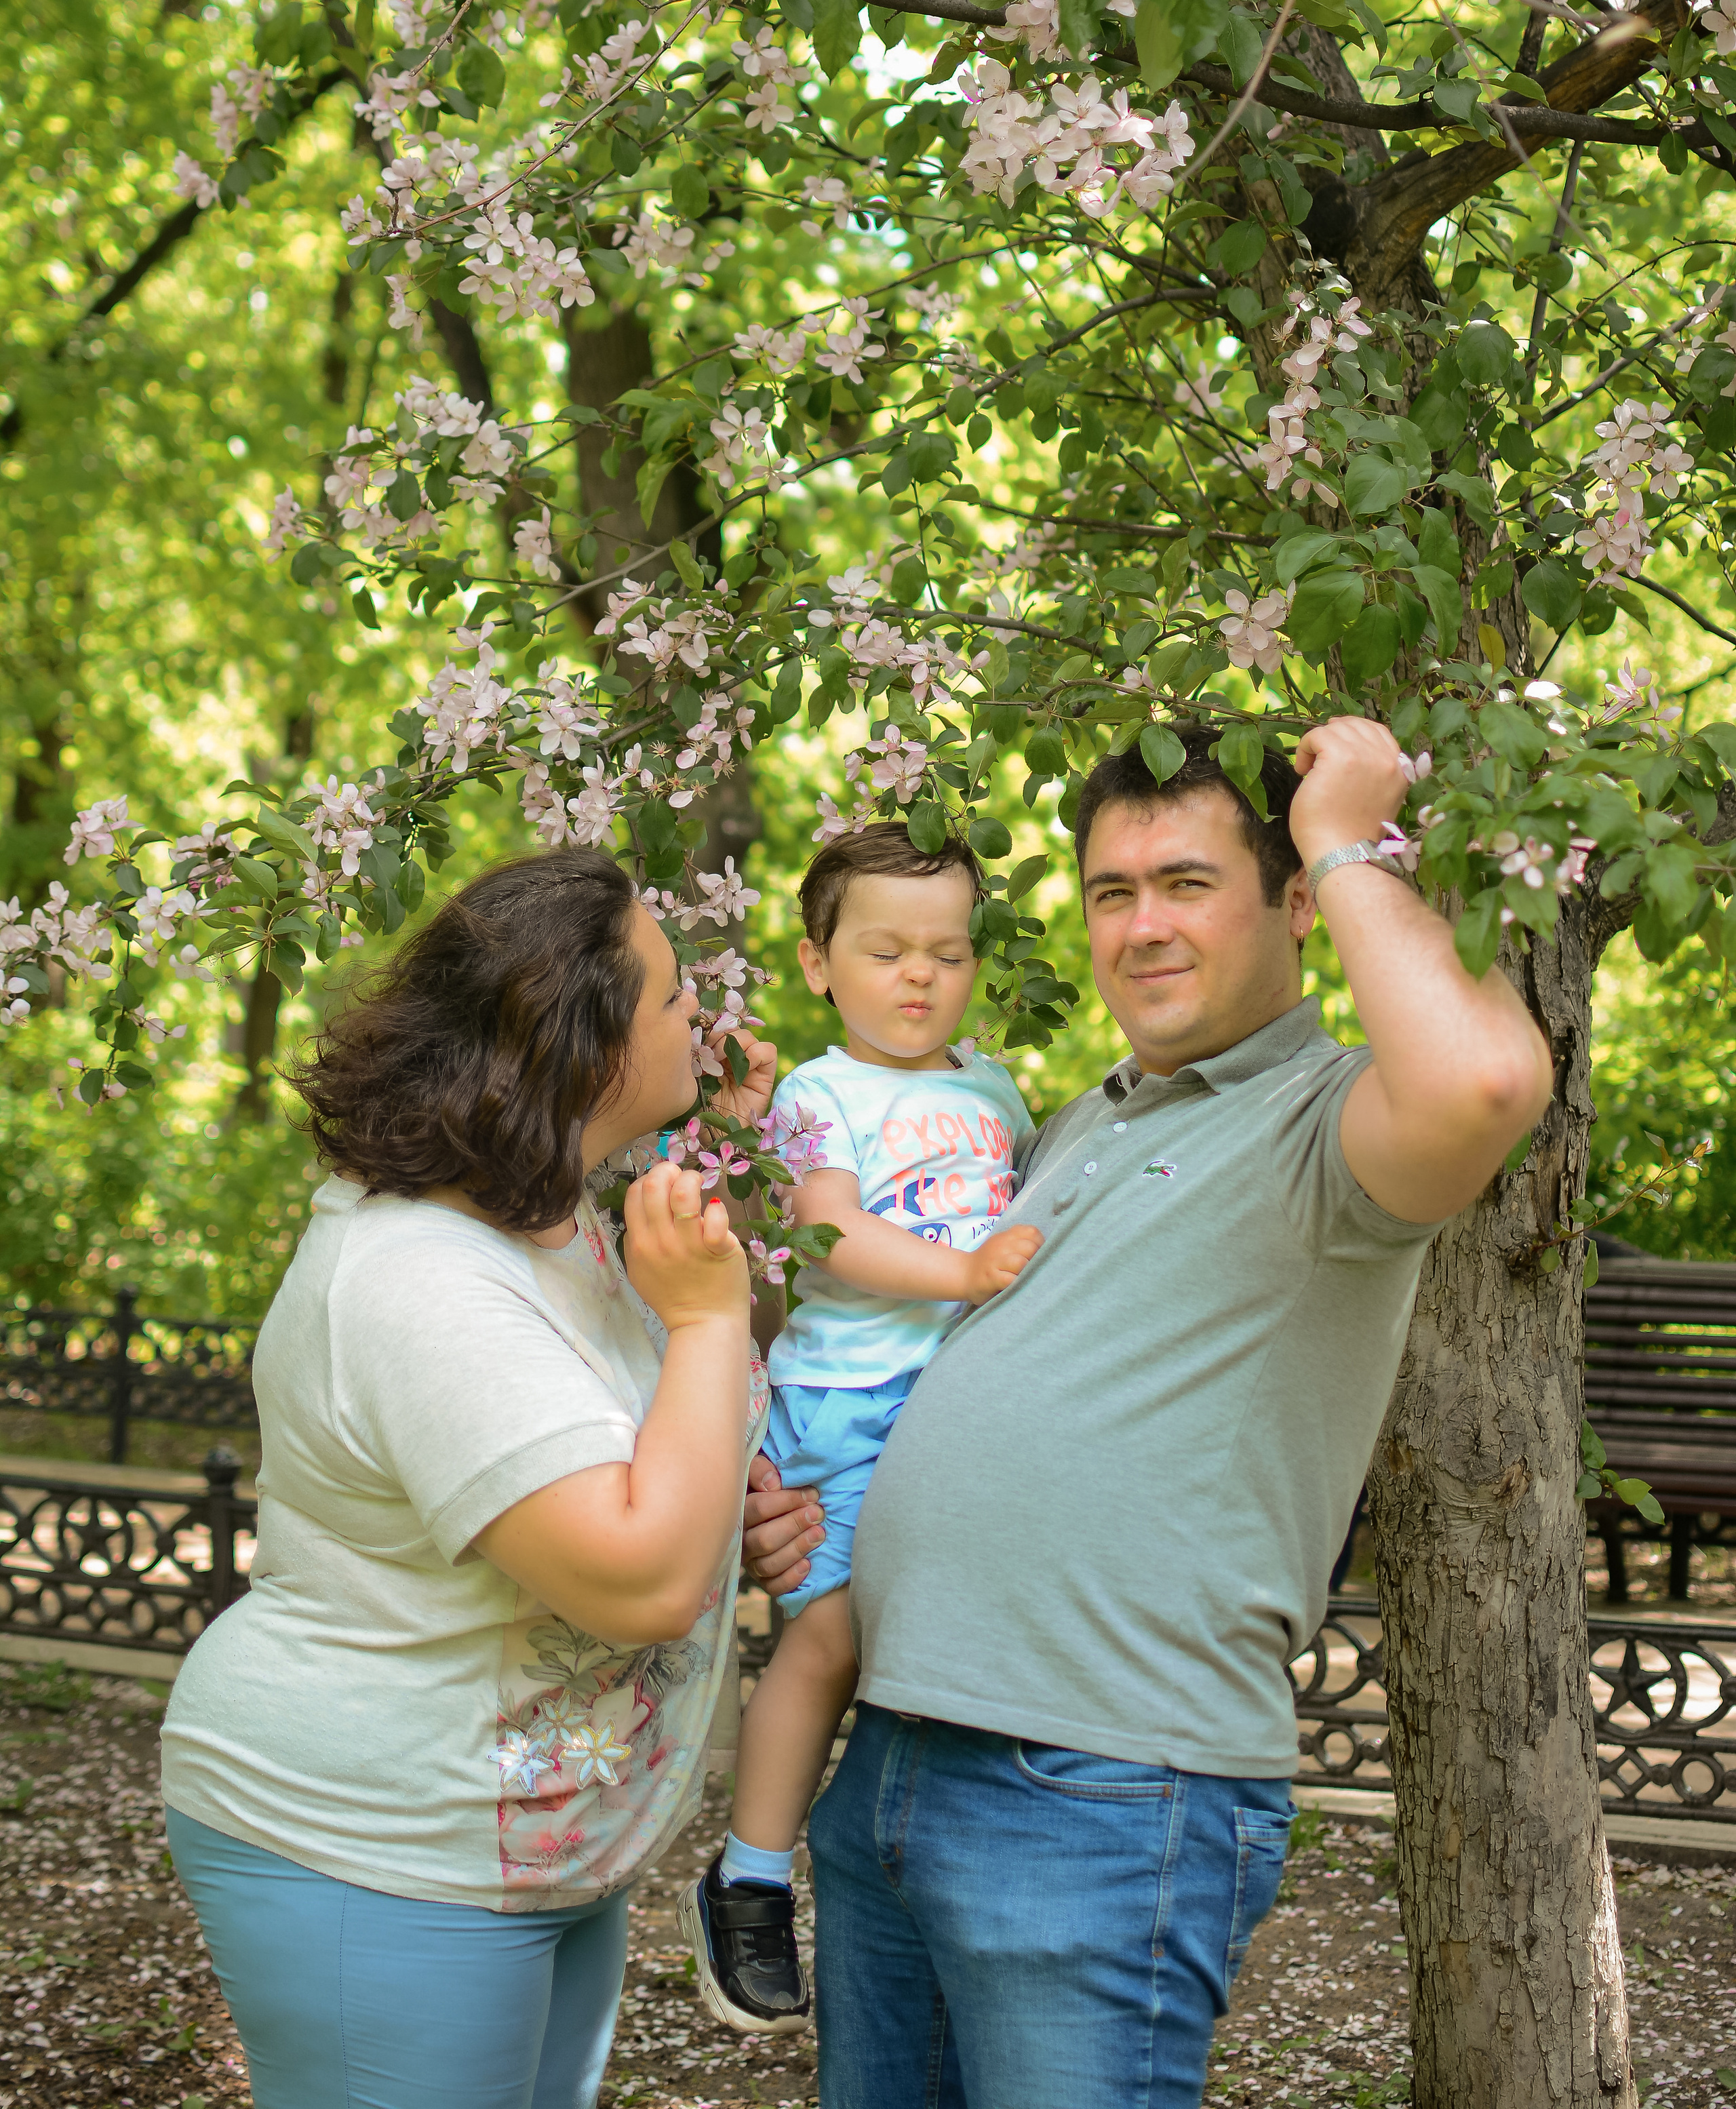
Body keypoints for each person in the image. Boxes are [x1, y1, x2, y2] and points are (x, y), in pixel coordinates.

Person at [741, 719, 1554, 2109]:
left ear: (1294, 904)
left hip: (1101, 1790)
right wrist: (821, 1503)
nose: (1140, 926)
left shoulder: (1325, 1118)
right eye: (1111, 892)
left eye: (1185, 882)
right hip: (890, 1755)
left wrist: (1342, 829)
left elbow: (1483, 1082)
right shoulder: (1068, 1126)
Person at [159, 846, 776, 2109]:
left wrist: (726, 1505)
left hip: (528, 1841)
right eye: (670, 997)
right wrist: (713, 1329)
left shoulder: (551, 1217)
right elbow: (640, 1573)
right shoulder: (421, 1278)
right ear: (591, 1045)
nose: (697, 1019)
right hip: (372, 1841)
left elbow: (632, 1471)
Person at [681, 823, 1041, 2032]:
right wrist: (970, 1272)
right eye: (886, 950)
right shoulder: (817, 1093)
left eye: (946, 951)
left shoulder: (993, 1087)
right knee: (827, 1641)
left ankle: (939, 1876)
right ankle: (748, 1876)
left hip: (966, 1407)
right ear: (820, 960)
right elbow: (830, 1229)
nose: (919, 975)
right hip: (848, 1402)